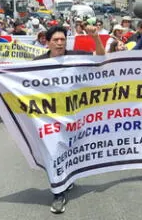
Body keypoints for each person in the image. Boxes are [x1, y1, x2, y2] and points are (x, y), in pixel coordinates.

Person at [33, 25, 104, 214]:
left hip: (75, 117)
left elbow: (100, 58)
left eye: (62, 40)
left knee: (72, 151)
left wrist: (96, 37)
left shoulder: (76, 57)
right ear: (47, 42)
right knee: (54, 153)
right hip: (50, 119)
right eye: (55, 40)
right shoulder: (37, 63)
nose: (59, 43)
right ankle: (58, 194)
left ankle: (67, 179)